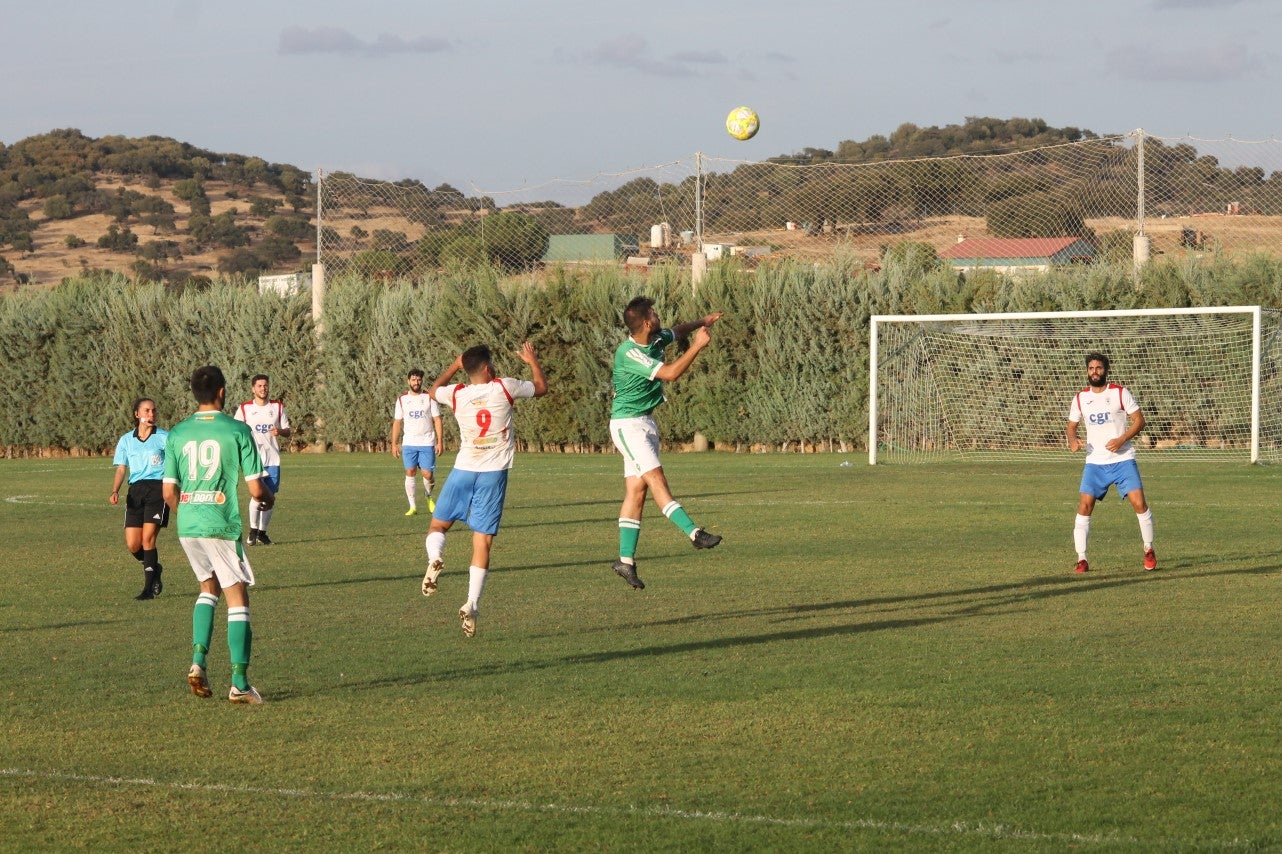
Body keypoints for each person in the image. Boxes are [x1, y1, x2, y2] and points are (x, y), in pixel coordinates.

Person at [163, 365, 275, 705]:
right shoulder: (237, 430)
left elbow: (169, 492)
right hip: (221, 524)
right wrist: (268, 498)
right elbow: (256, 489)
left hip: (188, 526)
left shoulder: (178, 433)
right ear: (223, 392)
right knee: (237, 597)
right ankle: (239, 683)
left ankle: (198, 661)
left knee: (207, 588)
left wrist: (190, 516)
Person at [420, 343, 547, 637]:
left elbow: (431, 392)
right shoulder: (505, 387)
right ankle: (471, 603)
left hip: (464, 468)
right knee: (483, 541)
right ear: (489, 369)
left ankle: (434, 558)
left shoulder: (458, 393)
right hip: (493, 475)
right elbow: (541, 388)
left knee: (438, 525)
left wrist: (454, 366)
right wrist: (532, 360)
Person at [609, 296, 724, 590]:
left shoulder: (656, 336)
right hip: (628, 424)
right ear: (647, 321)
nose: (659, 316)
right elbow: (671, 373)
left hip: (645, 422)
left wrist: (702, 322)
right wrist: (698, 346)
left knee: (637, 492)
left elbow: (678, 330)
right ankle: (694, 533)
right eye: (655, 313)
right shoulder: (630, 353)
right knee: (657, 479)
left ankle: (625, 562)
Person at [1066, 352, 1157, 574]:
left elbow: (1139, 420)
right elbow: (1071, 426)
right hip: (1094, 463)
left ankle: (1148, 549)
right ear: (1087, 371)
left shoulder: (1119, 393)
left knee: (1139, 504)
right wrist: (1072, 441)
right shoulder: (1080, 398)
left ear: (1105, 370)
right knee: (1084, 507)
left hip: (1123, 459)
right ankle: (1082, 559)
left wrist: (1122, 439)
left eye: (1098, 368)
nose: (1094, 372)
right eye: (1091, 368)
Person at [110, 397, 169, 600]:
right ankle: (154, 567)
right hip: (135, 491)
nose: (151, 415)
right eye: (146, 411)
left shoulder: (164, 437)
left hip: (157, 489)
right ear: (137, 414)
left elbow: (177, 462)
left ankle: (147, 589)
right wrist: (115, 490)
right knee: (133, 545)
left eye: (153, 411)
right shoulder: (126, 440)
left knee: (147, 540)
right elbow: (121, 468)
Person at [233, 373, 291, 545]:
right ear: (253, 389)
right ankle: (252, 530)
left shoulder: (277, 407)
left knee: (270, 496)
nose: (263, 388)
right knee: (257, 494)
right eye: (259, 386)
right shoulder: (245, 408)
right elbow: (235, 430)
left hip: (273, 459)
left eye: (265, 385)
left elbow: (288, 431)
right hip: (253, 458)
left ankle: (262, 533)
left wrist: (279, 432)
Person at [391, 368, 444, 516]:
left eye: (419, 379)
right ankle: (412, 506)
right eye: (413, 380)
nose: (416, 382)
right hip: (409, 442)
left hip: (427, 442)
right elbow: (397, 422)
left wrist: (440, 441)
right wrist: (394, 444)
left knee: (427, 474)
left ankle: (428, 496)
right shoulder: (402, 399)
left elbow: (437, 420)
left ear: (422, 381)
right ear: (408, 381)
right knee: (410, 472)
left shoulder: (429, 397)